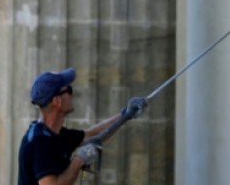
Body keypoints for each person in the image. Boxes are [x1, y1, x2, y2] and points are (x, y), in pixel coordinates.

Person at [17, 67, 148, 185]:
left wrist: (125, 115)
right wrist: (78, 160)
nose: (72, 95)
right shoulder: (40, 141)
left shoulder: (56, 134)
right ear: (57, 101)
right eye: (69, 90)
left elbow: (93, 135)